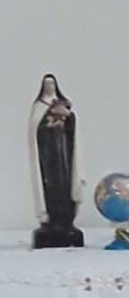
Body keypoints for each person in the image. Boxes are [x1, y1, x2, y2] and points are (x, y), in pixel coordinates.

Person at [29, 74, 84, 247]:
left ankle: (66, 218)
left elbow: (72, 125)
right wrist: (49, 127)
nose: (50, 87)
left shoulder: (62, 103)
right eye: (47, 84)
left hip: (64, 153)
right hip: (47, 155)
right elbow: (35, 131)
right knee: (50, 185)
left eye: (52, 84)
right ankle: (52, 219)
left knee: (65, 184)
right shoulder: (39, 107)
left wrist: (67, 117)